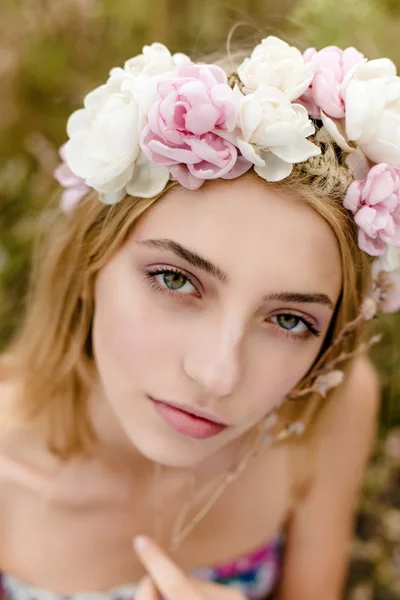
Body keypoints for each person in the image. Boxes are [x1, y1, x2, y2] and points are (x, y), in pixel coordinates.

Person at [0, 36, 399, 600]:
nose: (217, 375)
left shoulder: (327, 411)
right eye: (175, 279)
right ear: (89, 260)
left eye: (289, 320)